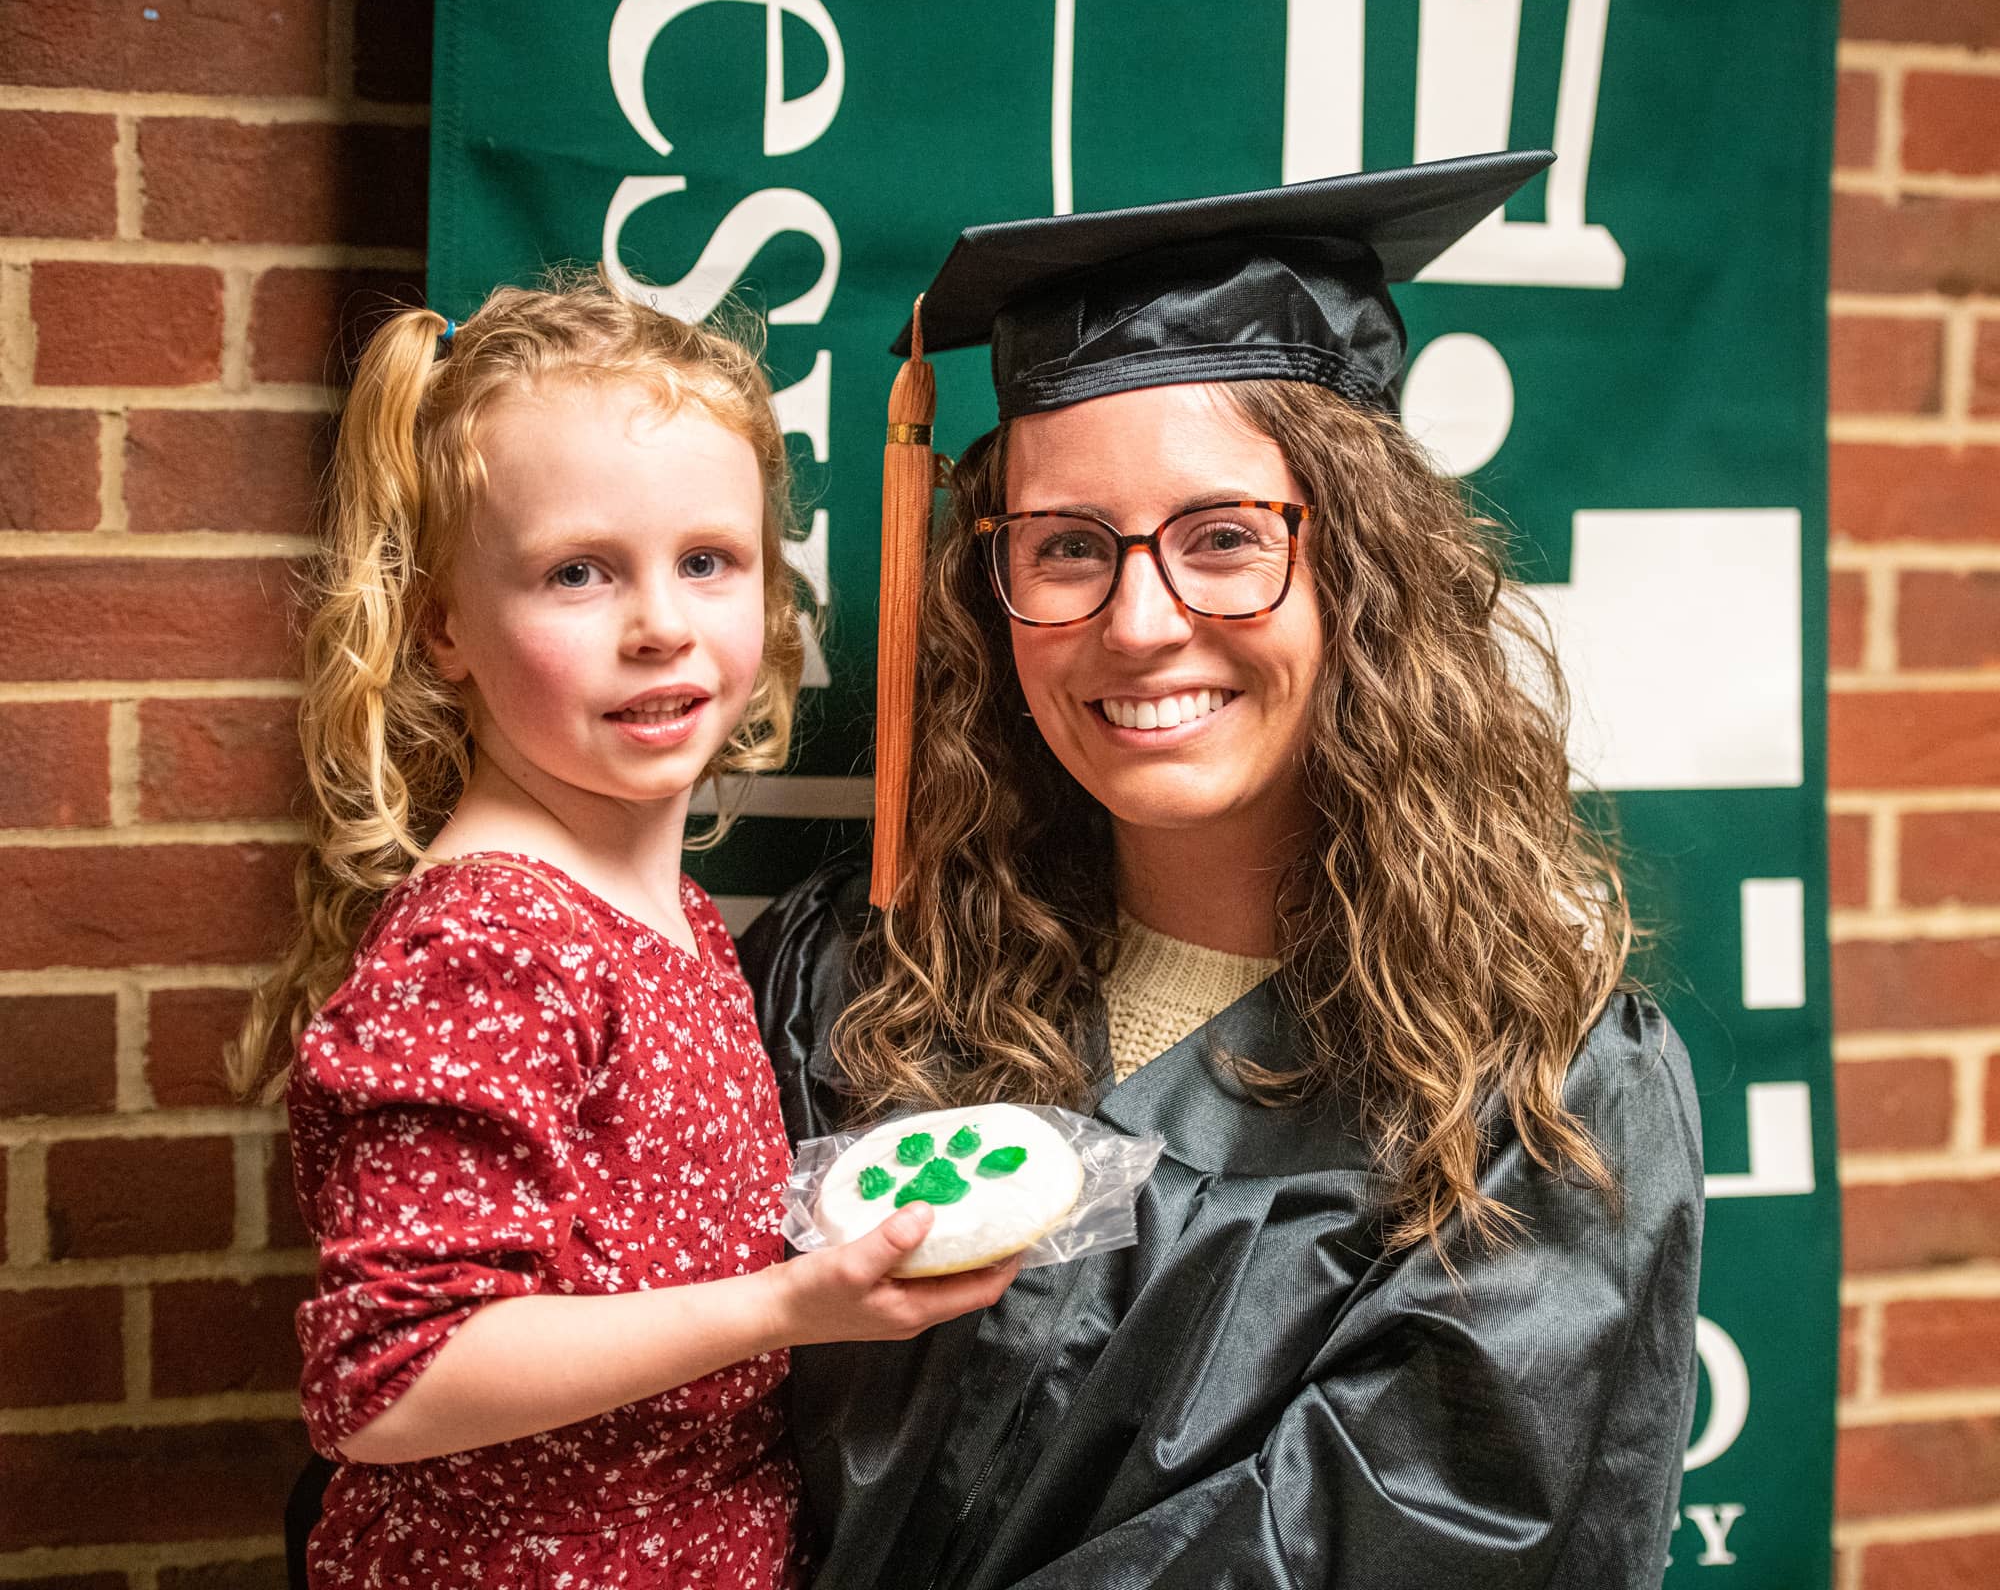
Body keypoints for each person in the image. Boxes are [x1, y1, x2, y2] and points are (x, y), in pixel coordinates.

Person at [740, 151, 1705, 1588]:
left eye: (1224, 538)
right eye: (1067, 548)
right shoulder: (854, 980)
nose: (1140, 623)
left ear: (1360, 570)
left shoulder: (1542, 1096)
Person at [230, 277, 1015, 1590]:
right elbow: (389, 1383)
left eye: (707, 561)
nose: (660, 624)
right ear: (443, 628)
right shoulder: (491, 942)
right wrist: (786, 1308)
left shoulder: (670, 913)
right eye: (578, 572)